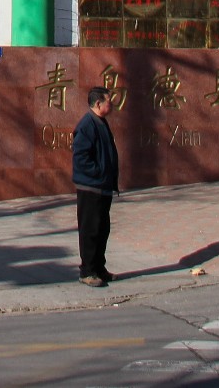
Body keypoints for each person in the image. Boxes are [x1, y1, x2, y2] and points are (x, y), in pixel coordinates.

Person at [72, 85, 119, 287]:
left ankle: (99, 268)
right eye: (110, 100)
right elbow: (81, 157)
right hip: (91, 187)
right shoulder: (87, 125)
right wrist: (99, 173)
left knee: (102, 229)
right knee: (90, 230)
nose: (113, 104)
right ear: (98, 103)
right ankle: (87, 271)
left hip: (103, 187)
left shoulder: (100, 122)